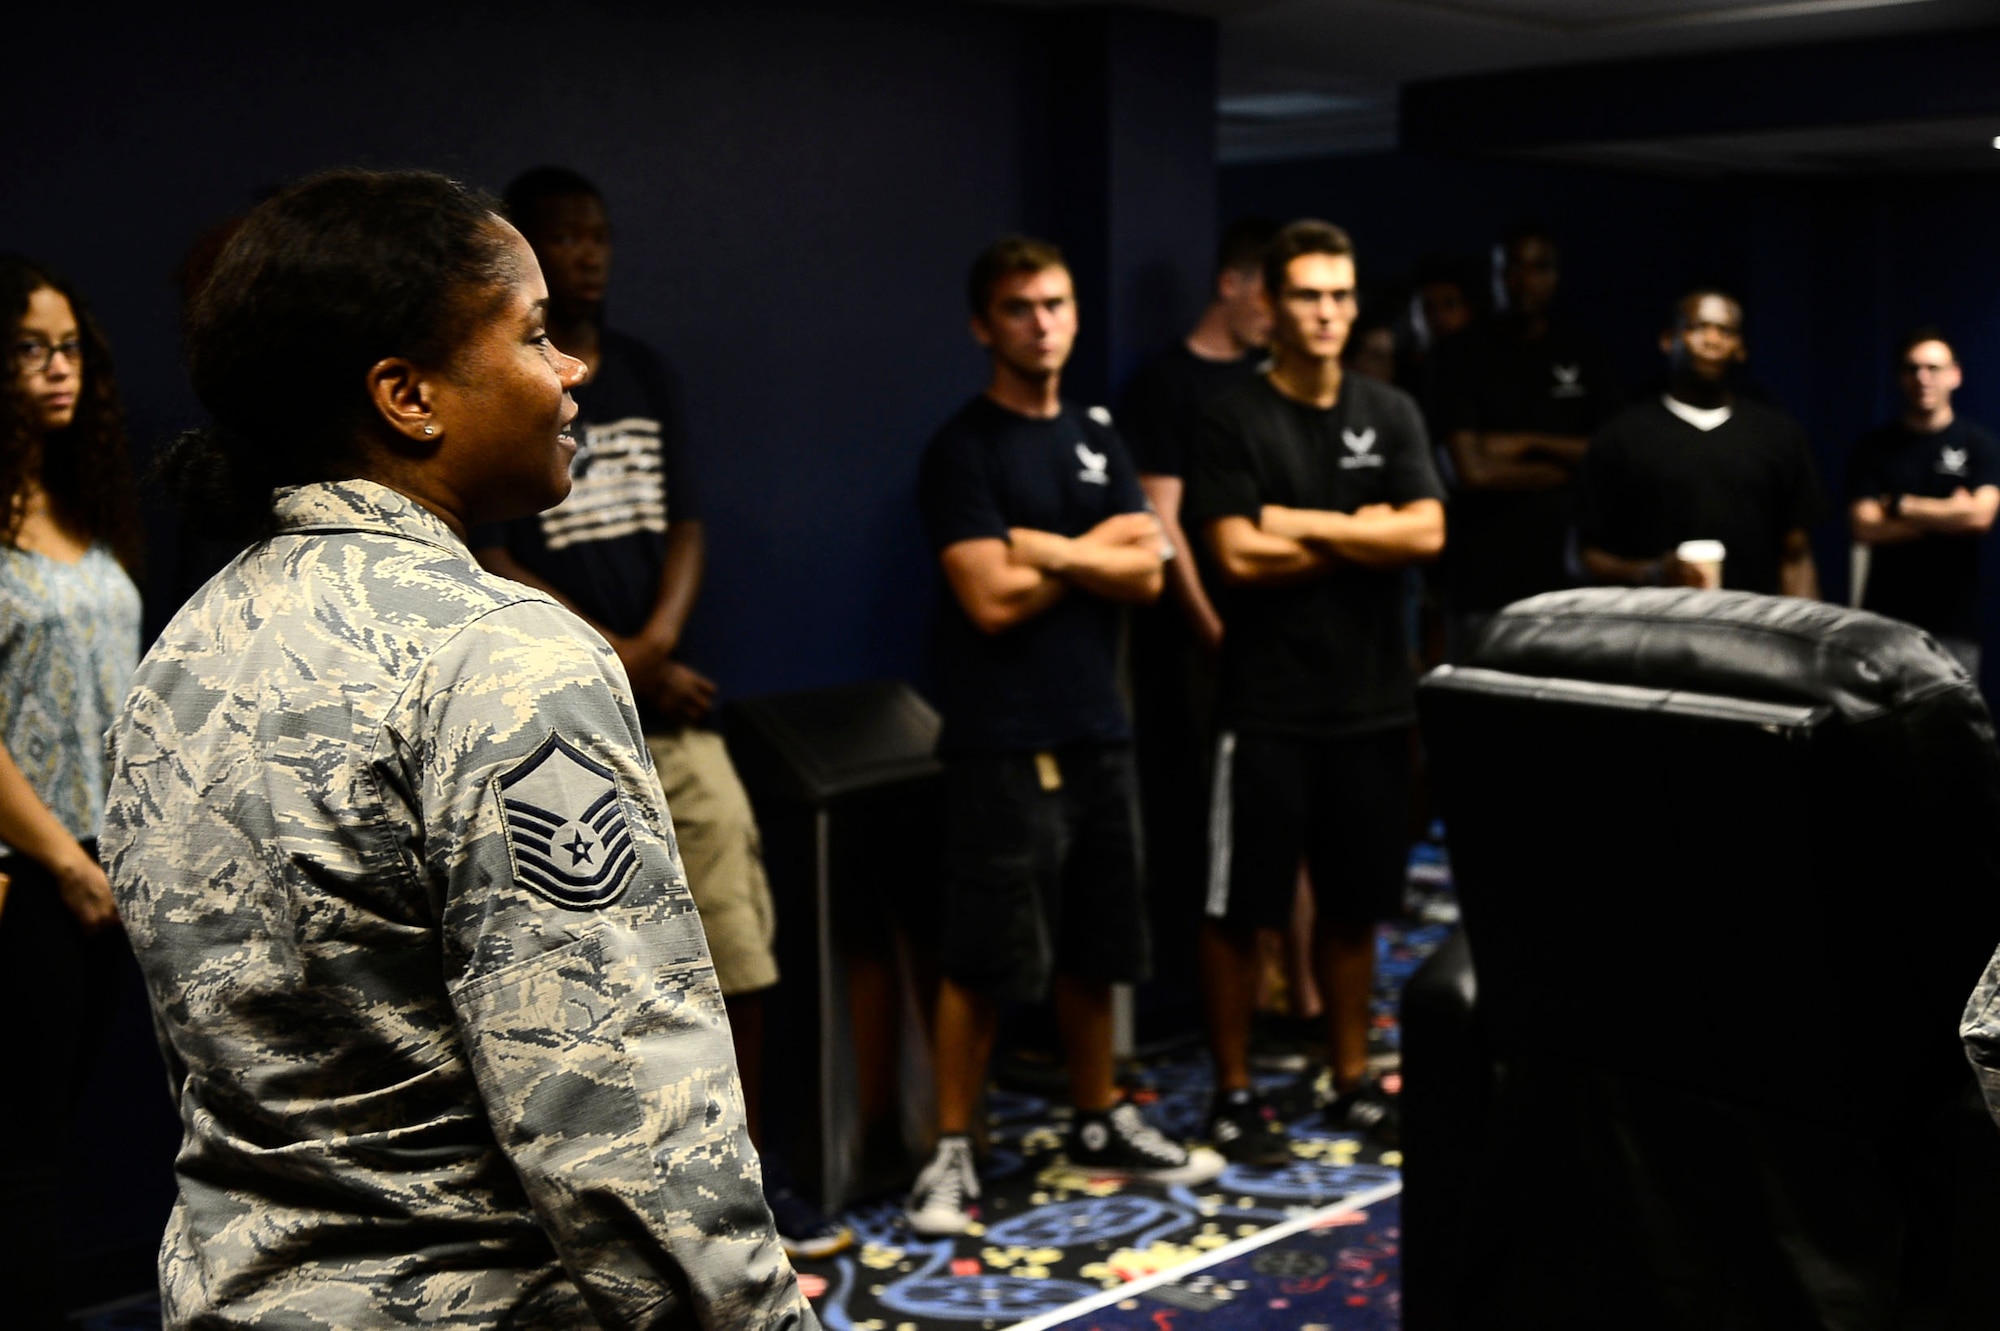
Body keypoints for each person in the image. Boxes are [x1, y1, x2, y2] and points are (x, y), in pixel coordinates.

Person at [102, 169, 816, 1330]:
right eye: (534, 334)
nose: (572, 367)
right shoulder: (506, 656)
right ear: (407, 396)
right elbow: (623, 1127)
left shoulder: (183, 651)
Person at [469, 168, 849, 1259]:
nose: (586, 254)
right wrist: (619, 662)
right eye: (562, 238)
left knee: (738, 950)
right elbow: (492, 554)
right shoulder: (509, 396)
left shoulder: (639, 371)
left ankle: (751, 1184)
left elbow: (685, 523)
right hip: (560, 725)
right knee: (599, 984)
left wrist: (651, 648)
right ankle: (647, 1209)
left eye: (598, 235)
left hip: (674, 712)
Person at [906, 234, 1222, 1237]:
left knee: (1097, 942)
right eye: (1017, 308)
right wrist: (1093, 552)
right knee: (982, 954)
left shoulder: (1095, 429)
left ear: (1074, 314)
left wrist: (1044, 546)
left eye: (1054, 304)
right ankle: (951, 1148)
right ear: (981, 324)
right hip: (1001, 738)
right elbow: (990, 599)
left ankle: (1095, 1118)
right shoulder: (963, 448)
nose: (1040, 323)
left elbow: (1148, 568)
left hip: (1099, 725)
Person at [1183, 220, 1446, 1160]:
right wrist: (1356, 526)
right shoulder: (1232, 417)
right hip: (1266, 706)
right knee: (1239, 910)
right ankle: (1234, 1090)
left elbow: (1424, 533)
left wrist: (1302, 522)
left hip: (1373, 702)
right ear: (1274, 306)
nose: (1328, 312)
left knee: (1353, 905)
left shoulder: (1391, 409)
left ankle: (1349, 1079)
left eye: (1341, 294)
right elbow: (1239, 555)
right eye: (1308, 295)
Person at [0, 255, 145, 1331]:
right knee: (22, 1151)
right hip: (28, 871)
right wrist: (62, 862)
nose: (59, 370)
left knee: (51, 1131)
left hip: (103, 860)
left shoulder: (78, 496)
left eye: (70, 348)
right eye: (29, 349)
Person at [1115, 218, 1275, 1038]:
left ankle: (1286, 994)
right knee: (1189, 817)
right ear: (1233, 283)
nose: (1279, 315)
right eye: (1271, 294)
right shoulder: (1167, 384)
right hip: (1192, 648)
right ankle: (1177, 999)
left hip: (1273, 646)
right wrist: (1211, 624)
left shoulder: (1266, 385)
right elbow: (1163, 520)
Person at [1428, 224, 1621, 656]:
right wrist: (1566, 464)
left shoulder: (1583, 352)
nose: (1525, 280)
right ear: (1496, 274)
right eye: (1513, 268)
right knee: (1481, 713)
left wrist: (1523, 443)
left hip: (1568, 580)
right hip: (1483, 582)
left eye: (1539, 268)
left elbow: (1608, 456)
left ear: (1555, 276)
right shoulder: (1459, 354)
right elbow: (1472, 473)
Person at [1576, 288, 1819, 597]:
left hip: (1752, 630)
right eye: (1697, 327)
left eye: (1725, 331)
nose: (1712, 341)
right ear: (1668, 339)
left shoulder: (1778, 436)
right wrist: (1652, 572)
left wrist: (1807, 637)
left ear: (1741, 347)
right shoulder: (1621, 437)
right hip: (1652, 631)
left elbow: (1796, 556)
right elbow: (1583, 556)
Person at [1848, 328, 2000, 675]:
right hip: (1884, 621)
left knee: (1951, 725)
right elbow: (1864, 526)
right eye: (1913, 368)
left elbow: (1979, 518)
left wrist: (1900, 506)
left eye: (1933, 368)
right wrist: (1950, 514)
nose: (1923, 378)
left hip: (1955, 623)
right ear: (1901, 377)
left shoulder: (1979, 445)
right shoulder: (1874, 448)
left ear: (1954, 375)